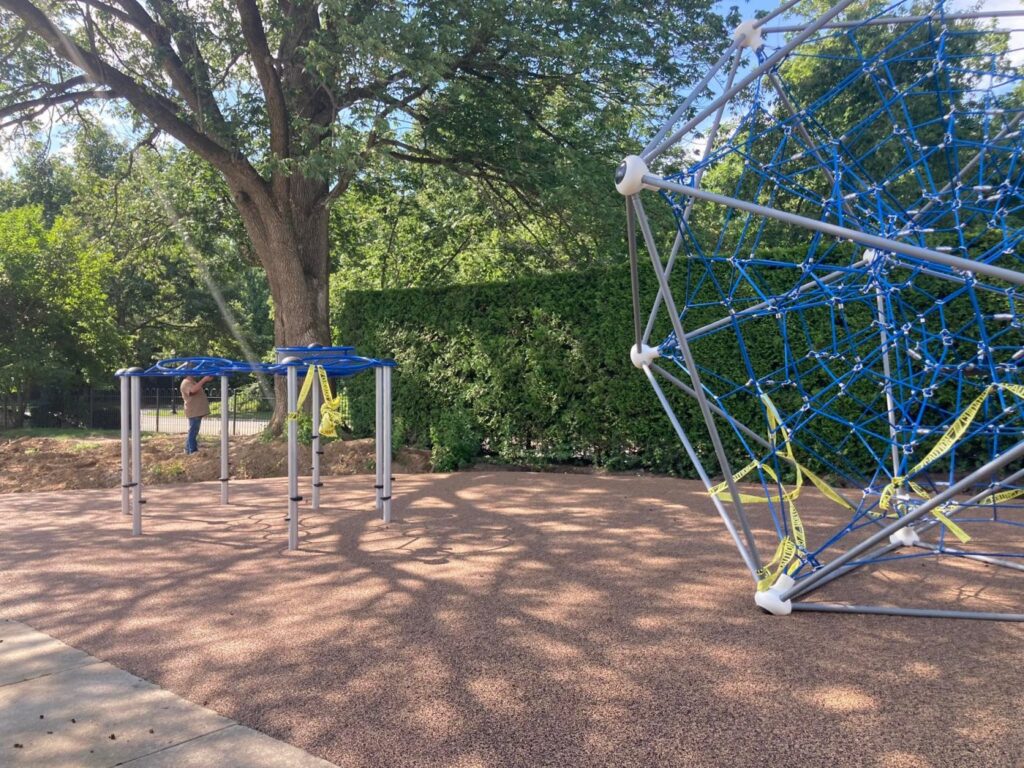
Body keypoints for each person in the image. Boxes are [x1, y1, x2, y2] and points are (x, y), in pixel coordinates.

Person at [180, 372, 215, 454]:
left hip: (196, 411)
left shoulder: (193, 382)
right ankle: (193, 450)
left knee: (193, 431)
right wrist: (204, 380)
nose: (197, 373)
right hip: (193, 411)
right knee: (193, 431)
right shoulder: (186, 383)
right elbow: (192, 391)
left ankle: (187, 449)